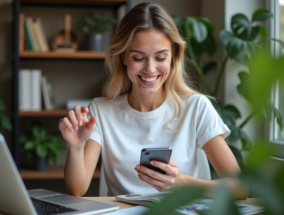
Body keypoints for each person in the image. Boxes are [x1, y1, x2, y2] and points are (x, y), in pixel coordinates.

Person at [59, 2, 247, 198]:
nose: (150, 68)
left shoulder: (196, 107)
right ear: (123, 57)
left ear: (173, 56)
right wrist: (76, 147)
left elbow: (240, 189)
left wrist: (183, 183)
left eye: (160, 57)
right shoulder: (100, 111)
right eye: (139, 58)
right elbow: (77, 189)